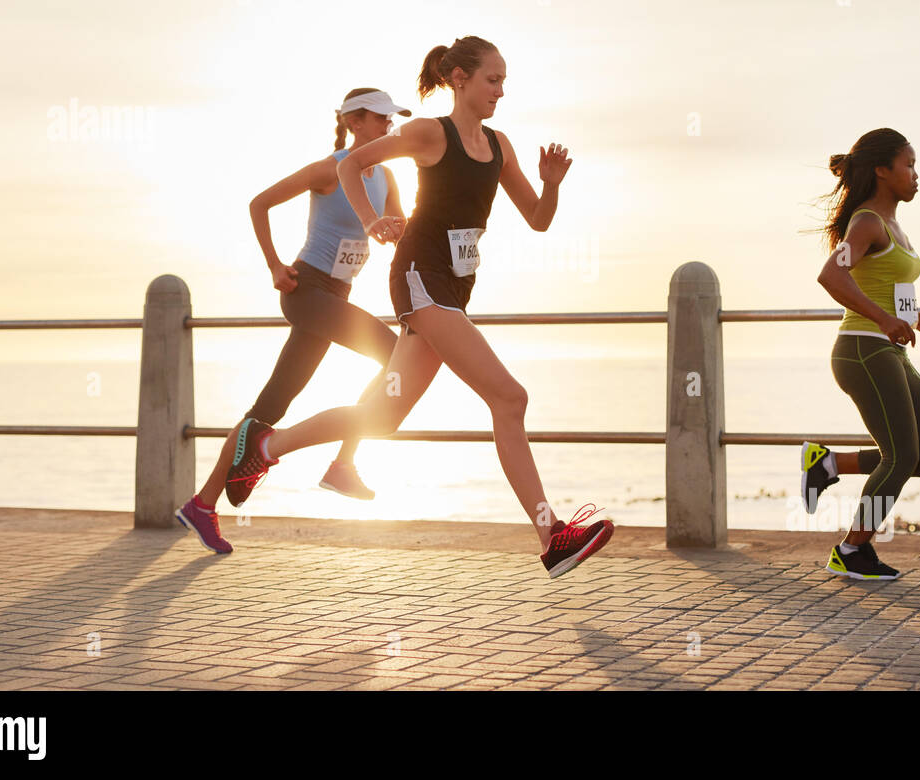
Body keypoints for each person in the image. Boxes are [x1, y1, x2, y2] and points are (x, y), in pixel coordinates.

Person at [220, 36, 615, 578]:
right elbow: (350, 166)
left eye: (504, 81)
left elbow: (539, 219)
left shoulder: (500, 147)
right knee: (509, 396)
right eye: (491, 80)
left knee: (381, 418)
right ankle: (552, 536)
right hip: (419, 280)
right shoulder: (431, 132)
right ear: (459, 79)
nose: (500, 90)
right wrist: (371, 220)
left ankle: (265, 445)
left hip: (452, 289)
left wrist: (550, 187)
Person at [175, 88, 412, 554]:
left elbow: (400, 227)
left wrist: (397, 229)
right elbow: (258, 204)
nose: (389, 126)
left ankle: (202, 504)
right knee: (395, 355)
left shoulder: (386, 175)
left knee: (268, 411)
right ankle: (343, 464)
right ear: (355, 121)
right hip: (307, 291)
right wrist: (274, 266)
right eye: (381, 119)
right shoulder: (328, 169)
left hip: (336, 295)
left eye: (392, 119)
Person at [802, 128, 920, 580]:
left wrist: (913, 315)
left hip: (890, 351)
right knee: (901, 457)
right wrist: (885, 321)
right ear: (883, 170)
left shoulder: (893, 226)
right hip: (863, 350)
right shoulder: (866, 222)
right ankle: (851, 551)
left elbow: (881, 286)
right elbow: (832, 276)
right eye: (909, 165)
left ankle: (828, 463)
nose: (916, 175)